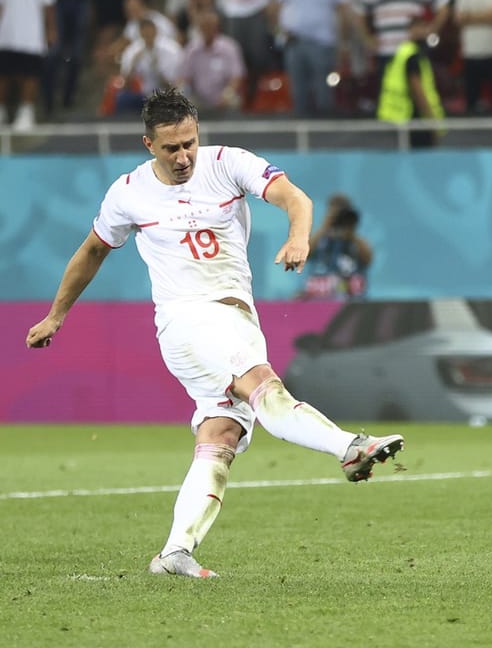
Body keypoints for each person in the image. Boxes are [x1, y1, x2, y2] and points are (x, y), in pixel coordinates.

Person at [24, 88, 405, 579]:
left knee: (221, 433)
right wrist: (57, 315)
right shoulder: (128, 193)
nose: (183, 157)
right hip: (186, 321)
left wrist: (297, 236)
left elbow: (295, 198)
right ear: (148, 144)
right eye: (171, 148)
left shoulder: (227, 163)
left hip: (238, 320)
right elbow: (93, 250)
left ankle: (175, 552)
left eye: (189, 143)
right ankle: (348, 448)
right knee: (265, 385)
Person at [273, 0, 351, 115]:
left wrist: (343, 41)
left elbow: (342, 9)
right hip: (295, 41)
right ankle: (301, 131)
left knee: (323, 90)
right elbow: (278, 5)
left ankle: (324, 133)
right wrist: (280, 31)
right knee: (298, 92)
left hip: (322, 42)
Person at [0, 0, 56, 132]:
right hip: (7, 34)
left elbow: (48, 3)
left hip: (31, 34)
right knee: (4, 74)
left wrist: (50, 30)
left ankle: (26, 112)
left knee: (29, 75)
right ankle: (3, 111)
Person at [377, 14, 445, 148]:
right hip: (415, 119)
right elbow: (418, 91)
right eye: (418, 27)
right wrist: (432, 123)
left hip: (400, 119)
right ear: (410, 30)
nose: (422, 31)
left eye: (424, 27)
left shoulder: (403, 52)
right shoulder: (412, 56)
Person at [301, 194, 374, 300]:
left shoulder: (355, 240)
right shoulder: (320, 239)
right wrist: (326, 225)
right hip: (321, 297)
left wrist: (350, 232)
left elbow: (368, 259)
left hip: (350, 298)